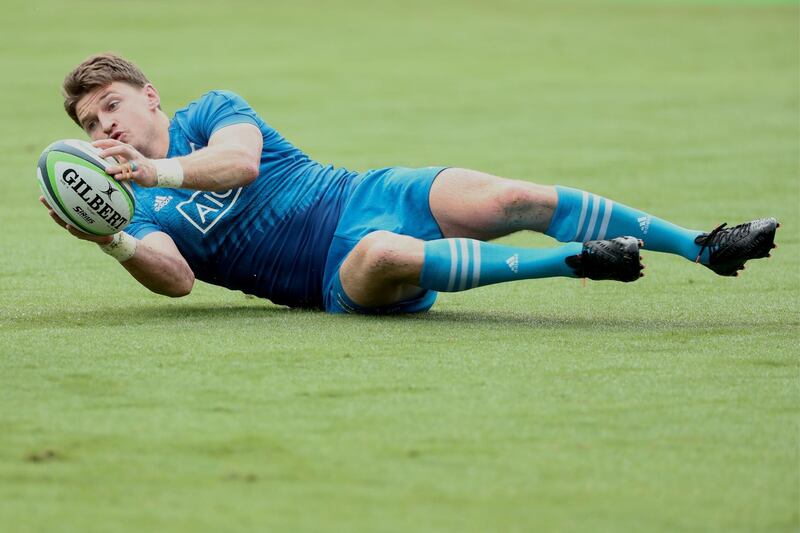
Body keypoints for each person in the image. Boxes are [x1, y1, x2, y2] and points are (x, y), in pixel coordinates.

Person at [41, 53, 779, 314]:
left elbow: (241, 162)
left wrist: (157, 169)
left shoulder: (212, 112)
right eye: (89, 119)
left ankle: (703, 245)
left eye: (111, 105)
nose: (103, 123)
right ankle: (578, 261)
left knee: (507, 197)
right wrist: (107, 239)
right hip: (331, 273)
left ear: (150, 97)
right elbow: (176, 282)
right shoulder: (130, 210)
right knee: (383, 256)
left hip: (367, 192)